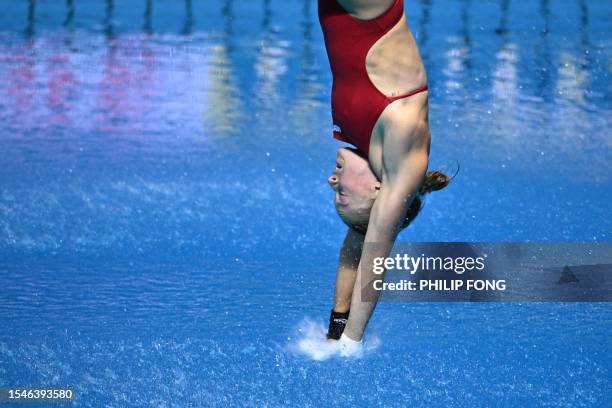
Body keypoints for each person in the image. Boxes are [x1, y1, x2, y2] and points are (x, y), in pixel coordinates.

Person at [317, 0, 452, 356]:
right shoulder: (402, 163)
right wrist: (350, 343)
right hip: (372, 16)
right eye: (342, 197)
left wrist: (335, 326)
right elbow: (373, 257)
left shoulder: (364, 148)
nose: (332, 184)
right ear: (378, 191)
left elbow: (353, 249)